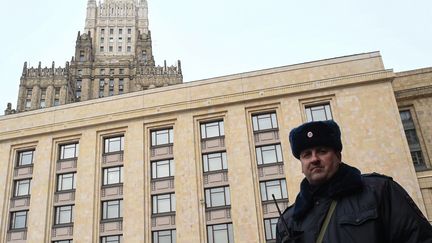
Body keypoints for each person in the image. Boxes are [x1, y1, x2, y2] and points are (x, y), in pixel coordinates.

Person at [276, 120, 432, 243]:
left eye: (322, 151)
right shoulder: (289, 220)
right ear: (302, 164)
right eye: (307, 155)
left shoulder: (380, 191)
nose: (314, 159)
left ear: (338, 156)